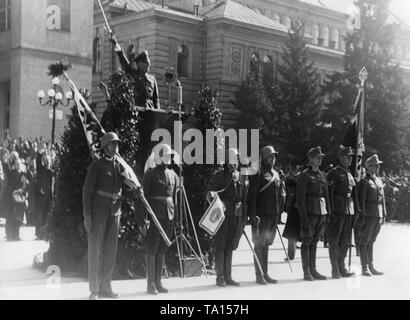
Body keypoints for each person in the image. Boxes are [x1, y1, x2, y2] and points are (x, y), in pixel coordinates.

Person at [83, 132, 138, 300]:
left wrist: (135, 191)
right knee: (95, 250)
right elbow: (87, 191)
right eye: (113, 144)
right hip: (98, 212)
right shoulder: (96, 165)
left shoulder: (119, 167)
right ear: (105, 146)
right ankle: (94, 289)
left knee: (110, 251)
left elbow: (122, 192)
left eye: (117, 144)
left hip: (115, 213)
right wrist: (87, 216)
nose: (116, 147)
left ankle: (106, 286)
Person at [207, 147, 248, 287]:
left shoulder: (240, 176)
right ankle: (220, 277)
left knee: (231, 245)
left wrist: (244, 218)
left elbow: (244, 198)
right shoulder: (219, 175)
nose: (235, 162)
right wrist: (212, 195)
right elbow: (210, 192)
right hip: (222, 215)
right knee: (221, 245)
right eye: (232, 159)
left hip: (237, 215)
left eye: (236, 159)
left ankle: (228, 276)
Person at [142, 144, 179, 295]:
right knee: (152, 248)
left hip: (168, 215)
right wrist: (144, 219)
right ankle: (150, 283)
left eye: (170, 156)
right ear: (159, 157)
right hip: (154, 216)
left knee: (163, 248)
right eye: (166, 156)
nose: (169, 159)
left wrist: (176, 218)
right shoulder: (149, 175)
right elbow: (142, 198)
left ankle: (158, 282)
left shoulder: (172, 175)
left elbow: (174, 198)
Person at [248, 146, 283, 285]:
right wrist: (252, 215)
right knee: (259, 245)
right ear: (264, 158)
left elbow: (279, 195)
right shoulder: (257, 173)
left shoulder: (276, 174)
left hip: (273, 214)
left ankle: (266, 272)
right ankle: (259, 275)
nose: (273, 159)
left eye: (274, 157)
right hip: (261, 215)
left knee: (267, 245)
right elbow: (252, 196)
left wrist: (279, 213)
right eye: (270, 156)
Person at [296, 147, 330, 281]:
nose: (320, 159)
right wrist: (303, 217)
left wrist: (328, 212)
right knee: (307, 241)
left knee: (315, 241)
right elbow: (300, 198)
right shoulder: (304, 175)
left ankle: (314, 269)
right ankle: (306, 271)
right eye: (317, 157)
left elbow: (325, 195)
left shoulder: (322, 175)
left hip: (321, 211)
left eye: (321, 157)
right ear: (310, 159)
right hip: (310, 212)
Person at [326, 146, 358, 279]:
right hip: (338, 209)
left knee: (346, 239)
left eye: (351, 157)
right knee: (334, 239)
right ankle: (334, 269)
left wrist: (356, 209)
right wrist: (331, 210)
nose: (350, 159)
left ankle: (342, 266)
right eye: (347, 156)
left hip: (348, 209)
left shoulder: (349, 172)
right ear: (340, 158)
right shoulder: (334, 172)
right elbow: (330, 193)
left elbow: (353, 192)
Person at [109, 34, 160, 109]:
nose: (148, 65)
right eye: (146, 63)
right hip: (136, 112)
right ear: (139, 64)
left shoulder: (152, 79)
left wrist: (157, 116)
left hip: (150, 113)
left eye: (148, 63)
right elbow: (124, 61)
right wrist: (116, 44)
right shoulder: (133, 74)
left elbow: (156, 100)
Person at [357, 154, 385, 277]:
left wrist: (384, 213)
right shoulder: (364, 181)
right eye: (374, 165)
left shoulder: (378, 180)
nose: (377, 167)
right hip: (368, 214)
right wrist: (362, 215)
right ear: (368, 167)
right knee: (364, 240)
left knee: (371, 241)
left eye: (378, 165)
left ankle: (371, 265)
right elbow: (361, 200)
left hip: (378, 214)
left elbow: (382, 199)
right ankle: (365, 267)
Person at [283, 166, 303, 261]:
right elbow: (289, 182)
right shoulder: (296, 179)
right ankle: (291, 255)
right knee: (292, 234)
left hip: (300, 209)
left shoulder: (302, 178)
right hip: (295, 209)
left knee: (294, 234)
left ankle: (293, 255)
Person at [34, 153, 54, 240]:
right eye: (46, 160)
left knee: (46, 216)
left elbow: (53, 185)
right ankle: (38, 234)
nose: (47, 162)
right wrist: (40, 152)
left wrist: (52, 197)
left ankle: (44, 234)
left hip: (49, 197)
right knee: (40, 216)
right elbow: (38, 161)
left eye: (48, 160)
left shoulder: (52, 172)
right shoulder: (40, 169)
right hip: (41, 197)